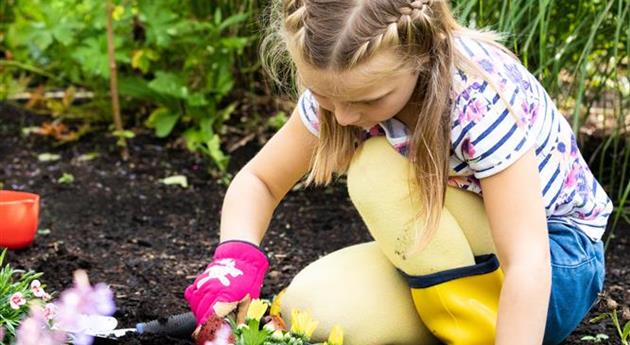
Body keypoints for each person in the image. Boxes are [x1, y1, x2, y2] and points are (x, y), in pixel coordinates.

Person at [184, 0, 612, 344]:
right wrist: (234, 258)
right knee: (310, 308)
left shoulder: (477, 98)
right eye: (326, 97)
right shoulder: (341, 89)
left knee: (376, 170)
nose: (347, 116)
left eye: (369, 100)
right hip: (463, 260)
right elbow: (260, 180)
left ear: (420, 57)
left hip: (555, 266)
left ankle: (483, 330)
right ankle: (461, 323)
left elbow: (527, 259)